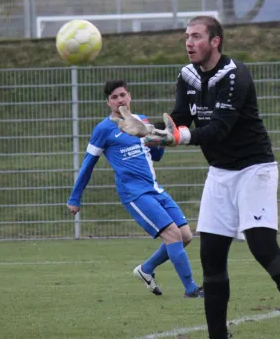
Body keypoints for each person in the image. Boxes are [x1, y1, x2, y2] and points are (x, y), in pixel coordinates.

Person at [113, 16, 280, 339]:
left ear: (215, 41)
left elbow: (219, 128)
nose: (189, 42)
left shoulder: (235, 75)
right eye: (187, 36)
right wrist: (153, 130)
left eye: (197, 36)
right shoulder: (187, 76)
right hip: (220, 174)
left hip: (254, 169)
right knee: (211, 256)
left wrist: (178, 138)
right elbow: (181, 117)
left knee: (263, 248)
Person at [66, 79, 204, 299]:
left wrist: (156, 140)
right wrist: (75, 198)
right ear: (108, 102)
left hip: (154, 189)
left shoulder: (141, 121)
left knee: (186, 235)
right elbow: (87, 164)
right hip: (134, 193)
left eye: (123, 95)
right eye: (114, 97)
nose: (120, 100)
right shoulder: (103, 129)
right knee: (173, 235)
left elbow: (156, 156)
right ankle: (192, 290)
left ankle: (146, 269)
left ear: (129, 96)